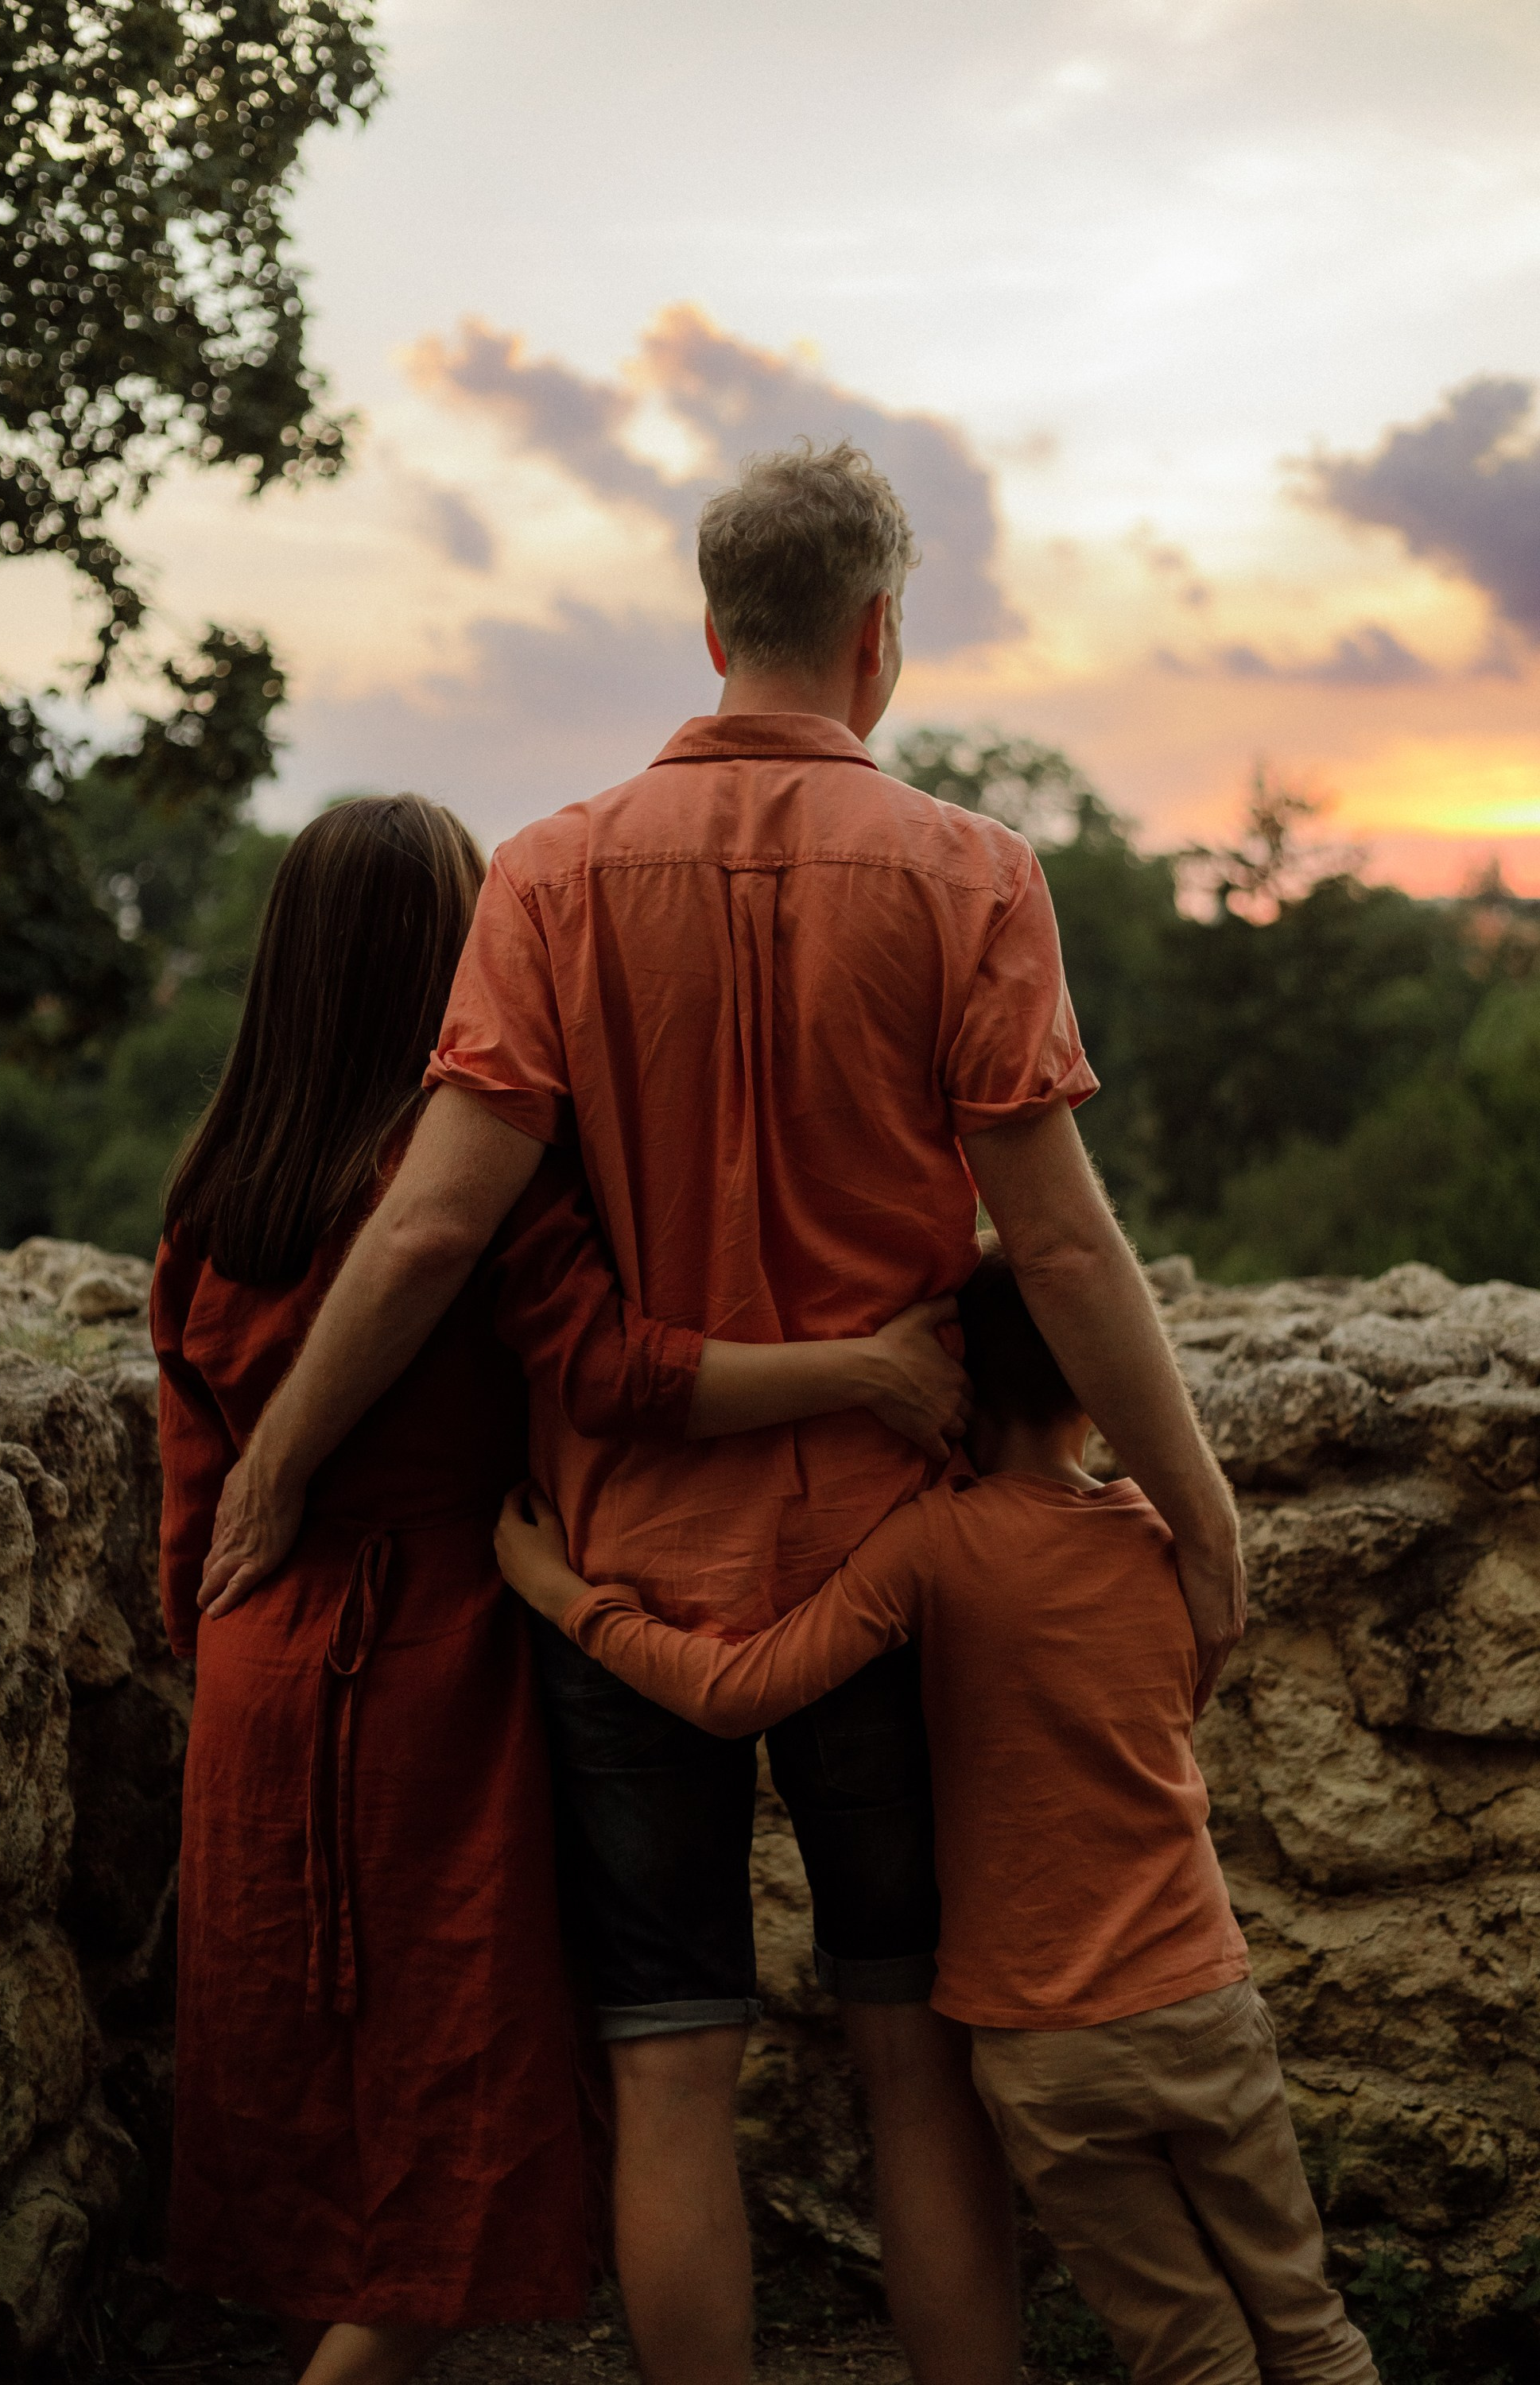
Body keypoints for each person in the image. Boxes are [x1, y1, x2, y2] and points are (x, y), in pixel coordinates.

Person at [196, 441, 1244, 2385]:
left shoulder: (551, 872)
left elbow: (434, 1224)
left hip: (621, 1570)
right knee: (913, 2054)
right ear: (879, 638)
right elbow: (1071, 1254)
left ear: (709, 627)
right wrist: (1200, 1510)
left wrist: (274, 1466)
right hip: (885, 1562)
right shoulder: (973, 875)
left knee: (668, 2064)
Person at [154, 795, 966, 2385]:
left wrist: (221, 1626)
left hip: (260, 1675)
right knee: (482, 2106)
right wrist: (861, 1370)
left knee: (328, 2105)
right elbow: (611, 1370)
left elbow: (202, 1500)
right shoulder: (469, 1180)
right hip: (437, 1675)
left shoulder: (211, 1195)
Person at [494, 1247, 1379, 2385]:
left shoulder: (933, 1545)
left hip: (1047, 2043)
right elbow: (1179, 1698)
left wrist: (567, 1598)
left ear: (956, 1377)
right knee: (1308, 2326)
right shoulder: (1167, 1544)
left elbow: (734, 1696)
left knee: (1187, 2350)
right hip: (1206, 2007)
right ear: (1098, 1387)